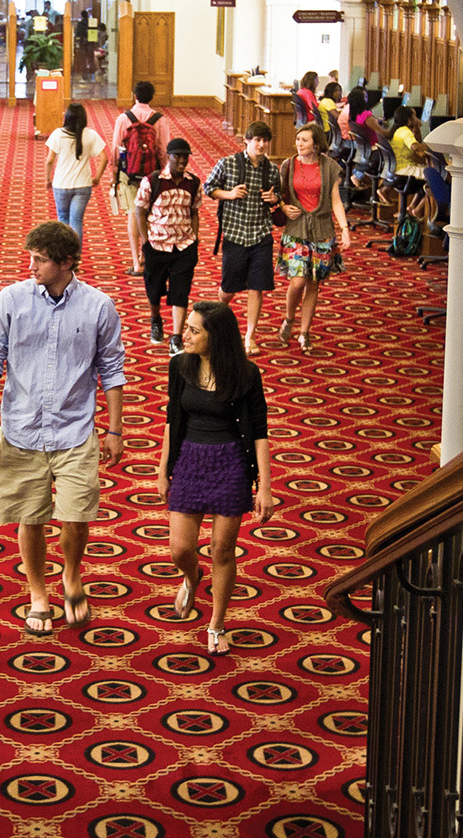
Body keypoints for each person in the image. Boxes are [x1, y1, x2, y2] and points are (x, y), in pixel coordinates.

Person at [0, 220, 128, 638]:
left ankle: (72, 576)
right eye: (31, 257)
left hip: (76, 428)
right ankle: (38, 593)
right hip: (21, 426)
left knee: (77, 516)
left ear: (66, 263)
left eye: (40, 260)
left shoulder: (98, 306)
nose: (32, 266)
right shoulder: (11, 300)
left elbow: (111, 370)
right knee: (30, 516)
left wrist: (114, 428)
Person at [159, 301, 273, 656]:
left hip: (230, 463)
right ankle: (192, 578)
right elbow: (171, 421)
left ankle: (217, 623)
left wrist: (265, 487)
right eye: (187, 327)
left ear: (216, 337)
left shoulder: (246, 375)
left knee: (222, 550)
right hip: (190, 459)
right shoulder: (179, 366)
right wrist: (163, 470)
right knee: (180, 548)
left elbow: (259, 433)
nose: (184, 334)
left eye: (194, 330)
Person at [203, 122, 282, 347]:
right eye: (257, 139)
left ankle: (250, 336)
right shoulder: (228, 164)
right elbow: (209, 187)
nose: (261, 144)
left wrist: (275, 199)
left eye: (265, 140)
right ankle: (217, 317)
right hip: (235, 234)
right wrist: (230, 193)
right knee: (229, 288)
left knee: (257, 287)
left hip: (261, 234)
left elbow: (278, 195)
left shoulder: (272, 169)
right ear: (246, 140)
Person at [276, 123, 351, 351]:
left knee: (313, 283)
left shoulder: (329, 167)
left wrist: (345, 228)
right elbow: (278, 195)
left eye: (305, 140)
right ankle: (289, 318)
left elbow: (335, 200)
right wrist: (283, 206)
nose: (299, 144)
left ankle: (304, 332)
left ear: (316, 145)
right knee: (297, 280)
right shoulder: (288, 165)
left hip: (321, 230)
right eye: (298, 140)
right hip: (296, 228)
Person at [134, 137, 202, 357]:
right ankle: (156, 319)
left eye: (185, 156)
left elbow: (194, 211)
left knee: (180, 291)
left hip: (184, 246)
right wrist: (145, 242)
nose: (182, 160)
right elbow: (140, 211)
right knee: (154, 289)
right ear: (168, 157)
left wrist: (194, 237)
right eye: (178, 156)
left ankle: (176, 337)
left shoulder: (193, 182)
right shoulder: (152, 181)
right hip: (157, 245)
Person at [110, 80, 171, 276]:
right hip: (152, 174)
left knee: (132, 214)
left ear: (134, 95)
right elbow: (163, 150)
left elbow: (116, 149)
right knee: (151, 214)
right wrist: (163, 173)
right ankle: (148, 257)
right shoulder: (159, 119)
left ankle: (136, 262)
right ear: (152, 97)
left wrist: (114, 174)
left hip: (129, 173)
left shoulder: (123, 118)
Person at [43, 102, 109, 240]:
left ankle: (63, 255)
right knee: (76, 221)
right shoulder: (91, 134)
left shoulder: (58, 134)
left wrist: (47, 179)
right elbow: (104, 158)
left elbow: (49, 160)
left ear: (66, 117)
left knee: (63, 220)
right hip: (83, 185)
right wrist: (97, 178)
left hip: (61, 184)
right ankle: (75, 256)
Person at [388, 105, 430, 218]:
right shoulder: (405, 132)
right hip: (405, 171)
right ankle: (418, 210)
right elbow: (415, 147)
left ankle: (411, 207)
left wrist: (417, 129)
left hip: (398, 169)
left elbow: (416, 143)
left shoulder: (398, 130)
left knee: (427, 175)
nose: (418, 119)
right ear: (409, 120)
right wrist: (430, 147)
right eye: (415, 116)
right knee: (433, 178)